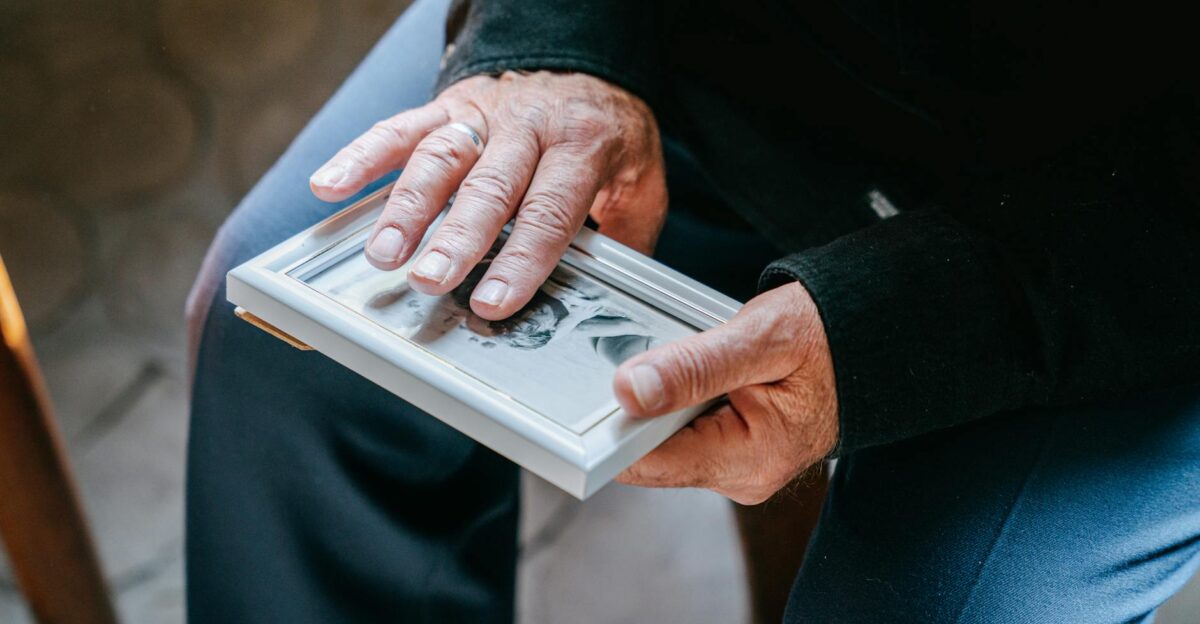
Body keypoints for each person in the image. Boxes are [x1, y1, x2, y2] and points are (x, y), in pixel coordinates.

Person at [186, 0, 1200, 622]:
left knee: (949, 606)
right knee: (286, 333)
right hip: (722, 43)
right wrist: (552, 36)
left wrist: (901, 336)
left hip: (1129, 231)